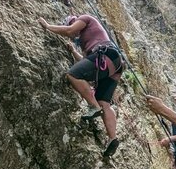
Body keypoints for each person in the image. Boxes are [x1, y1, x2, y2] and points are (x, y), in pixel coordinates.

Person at [39, 15, 123, 157]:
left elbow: (69, 30)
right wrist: (73, 51)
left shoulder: (85, 19)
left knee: (72, 74)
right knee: (104, 103)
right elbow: (87, 63)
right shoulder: (87, 41)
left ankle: (93, 107)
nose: (74, 36)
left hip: (105, 54)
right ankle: (112, 138)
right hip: (114, 64)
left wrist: (48, 26)